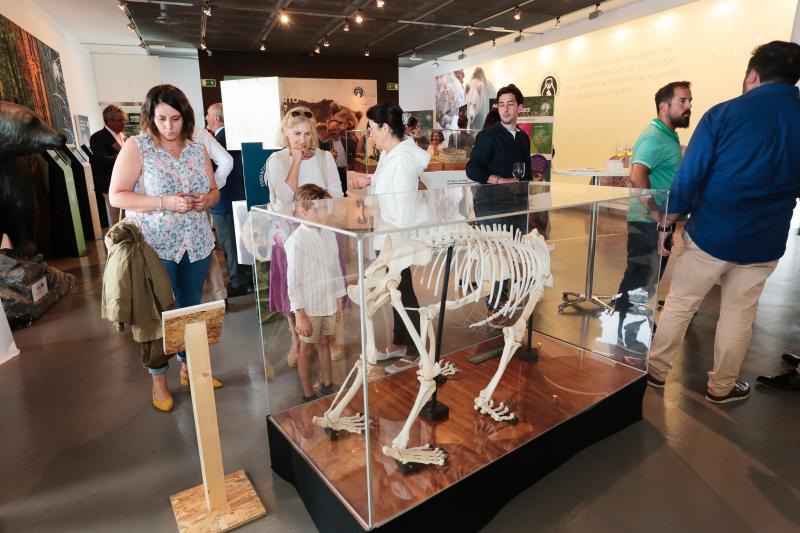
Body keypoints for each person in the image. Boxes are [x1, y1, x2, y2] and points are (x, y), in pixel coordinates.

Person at [647, 41, 800, 404]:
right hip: (766, 239)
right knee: (738, 314)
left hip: (711, 232)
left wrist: (668, 223)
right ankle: (721, 387)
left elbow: (691, 174)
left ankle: (655, 372)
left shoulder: (723, 114)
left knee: (681, 303)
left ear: (753, 75)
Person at [109, 84, 221, 412]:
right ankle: (159, 379)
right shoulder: (137, 147)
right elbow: (118, 194)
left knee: (190, 309)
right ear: (150, 117)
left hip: (197, 244)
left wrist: (207, 200)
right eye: (161, 119)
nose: (169, 126)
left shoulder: (196, 149)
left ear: (185, 117)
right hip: (156, 246)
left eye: (175, 118)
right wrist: (163, 202)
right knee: (158, 314)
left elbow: (214, 190)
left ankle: (190, 367)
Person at [614, 81, 692, 353]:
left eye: (689, 101)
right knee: (640, 276)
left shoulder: (667, 135)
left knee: (647, 278)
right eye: (682, 101)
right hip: (649, 221)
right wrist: (657, 215)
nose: (688, 106)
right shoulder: (654, 136)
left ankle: (629, 326)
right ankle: (625, 332)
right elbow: (637, 176)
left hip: (659, 221)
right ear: (664, 106)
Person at [351, 102, 431, 362]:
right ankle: (401, 340)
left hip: (397, 241)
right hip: (387, 238)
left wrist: (372, 204)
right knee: (395, 290)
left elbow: (402, 213)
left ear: (385, 128)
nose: (370, 134)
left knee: (403, 292)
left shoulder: (402, 160)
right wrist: (369, 181)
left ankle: (417, 349)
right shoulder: (390, 154)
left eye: (372, 128)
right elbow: (388, 183)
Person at [266, 106, 343, 368]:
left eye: (308, 134)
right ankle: (296, 338)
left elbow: (337, 194)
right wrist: (297, 160)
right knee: (293, 283)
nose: (303, 139)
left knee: (326, 280)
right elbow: (285, 198)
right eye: (296, 133)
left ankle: (330, 337)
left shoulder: (324, 158)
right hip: (290, 233)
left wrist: (317, 208)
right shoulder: (276, 161)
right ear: (286, 133)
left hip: (321, 230)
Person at [467, 84, 532, 315]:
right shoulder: (487, 136)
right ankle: (494, 306)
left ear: (520, 108)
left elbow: (527, 175)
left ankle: (505, 299)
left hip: (516, 205)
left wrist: (528, 199)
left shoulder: (523, 138)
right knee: (497, 256)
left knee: (513, 253)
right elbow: (472, 169)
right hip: (491, 205)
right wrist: (498, 180)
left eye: (510, 104)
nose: (505, 109)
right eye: (501, 104)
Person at [285, 184, 346, 401]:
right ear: (302, 210)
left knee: (325, 343)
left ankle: (328, 384)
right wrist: (300, 314)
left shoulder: (329, 234)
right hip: (309, 307)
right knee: (306, 349)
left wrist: (339, 302)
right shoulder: (295, 241)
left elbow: (336, 268)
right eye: (318, 208)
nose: (324, 212)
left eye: (324, 207)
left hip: (328, 302)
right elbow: (293, 281)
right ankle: (308, 393)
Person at [205, 103, 252, 298]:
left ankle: (238, 282)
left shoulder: (218, 141)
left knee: (230, 244)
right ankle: (246, 278)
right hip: (240, 197)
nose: (206, 117)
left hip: (224, 200)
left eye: (208, 114)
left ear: (217, 118)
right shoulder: (234, 138)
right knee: (242, 242)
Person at [90, 105, 127, 226]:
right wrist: (124, 157)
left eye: (123, 119)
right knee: (116, 219)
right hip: (109, 185)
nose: (124, 123)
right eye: (120, 120)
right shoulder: (98, 137)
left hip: (125, 184)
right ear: (109, 121)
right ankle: (116, 243)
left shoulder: (122, 136)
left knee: (125, 218)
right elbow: (100, 161)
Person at [318, 118, 354, 194]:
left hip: (346, 172)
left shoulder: (347, 140)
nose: (332, 132)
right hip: (334, 172)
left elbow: (353, 154)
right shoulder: (325, 144)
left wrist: (350, 165)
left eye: (334, 129)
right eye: (330, 130)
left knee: (347, 192)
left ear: (339, 130)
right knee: (336, 192)